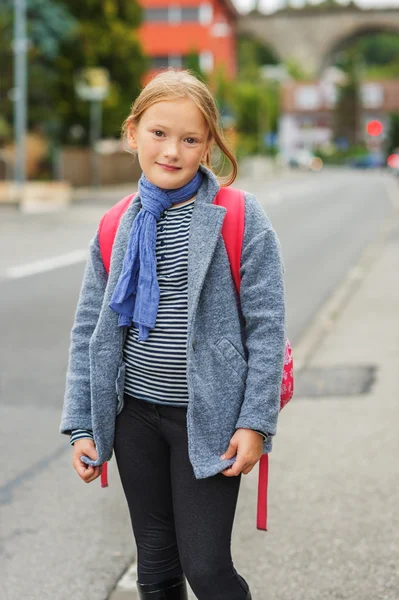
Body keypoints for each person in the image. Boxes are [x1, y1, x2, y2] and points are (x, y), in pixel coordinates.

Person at [60, 69, 286, 600]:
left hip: (206, 420)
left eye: (190, 139)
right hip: (133, 415)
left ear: (209, 145)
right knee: (156, 572)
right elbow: (88, 331)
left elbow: (268, 329)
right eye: (159, 133)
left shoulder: (239, 217)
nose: (172, 150)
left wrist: (256, 422)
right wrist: (81, 424)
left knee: (207, 570)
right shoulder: (116, 224)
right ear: (133, 131)